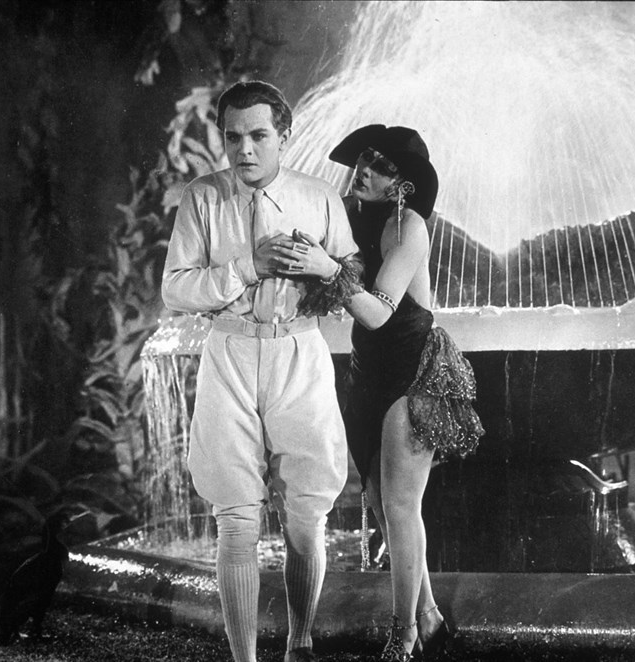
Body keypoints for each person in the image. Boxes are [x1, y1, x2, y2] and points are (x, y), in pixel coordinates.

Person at [161, 80, 360, 662]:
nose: (243, 149)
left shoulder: (319, 196)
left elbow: (352, 281)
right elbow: (175, 288)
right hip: (230, 354)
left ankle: (301, 642)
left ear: (284, 136)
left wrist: (325, 266)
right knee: (236, 518)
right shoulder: (203, 198)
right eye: (232, 137)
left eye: (258, 136)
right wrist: (246, 266)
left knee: (306, 513)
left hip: (299, 353)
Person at [292, 125, 484, 661]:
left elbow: (377, 312)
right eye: (365, 160)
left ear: (402, 185)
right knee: (380, 502)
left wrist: (327, 269)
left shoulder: (409, 227)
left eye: (380, 166)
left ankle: (403, 636)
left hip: (411, 373)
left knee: (400, 506)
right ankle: (430, 617)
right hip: (367, 373)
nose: (365, 170)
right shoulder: (352, 218)